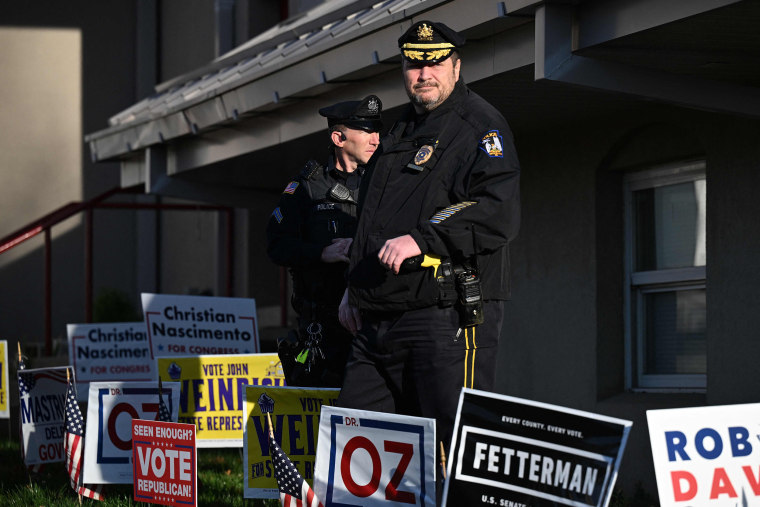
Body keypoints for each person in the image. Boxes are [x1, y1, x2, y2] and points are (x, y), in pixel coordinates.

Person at [337, 21, 521, 452]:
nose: (423, 75)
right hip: (378, 320)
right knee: (356, 447)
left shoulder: (480, 125)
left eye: (434, 64)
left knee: (456, 453)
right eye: (413, 65)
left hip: (444, 318)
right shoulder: (399, 131)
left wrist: (424, 239)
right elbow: (371, 218)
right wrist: (353, 284)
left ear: (456, 67)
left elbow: (497, 209)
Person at [267, 95, 382, 387]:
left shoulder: (385, 183)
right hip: (323, 328)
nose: (376, 139)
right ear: (338, 137)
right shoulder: (305, 188)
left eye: (377, 130)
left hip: (375, 324)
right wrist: (321, 252)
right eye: (366, 131)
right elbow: (277, 246)